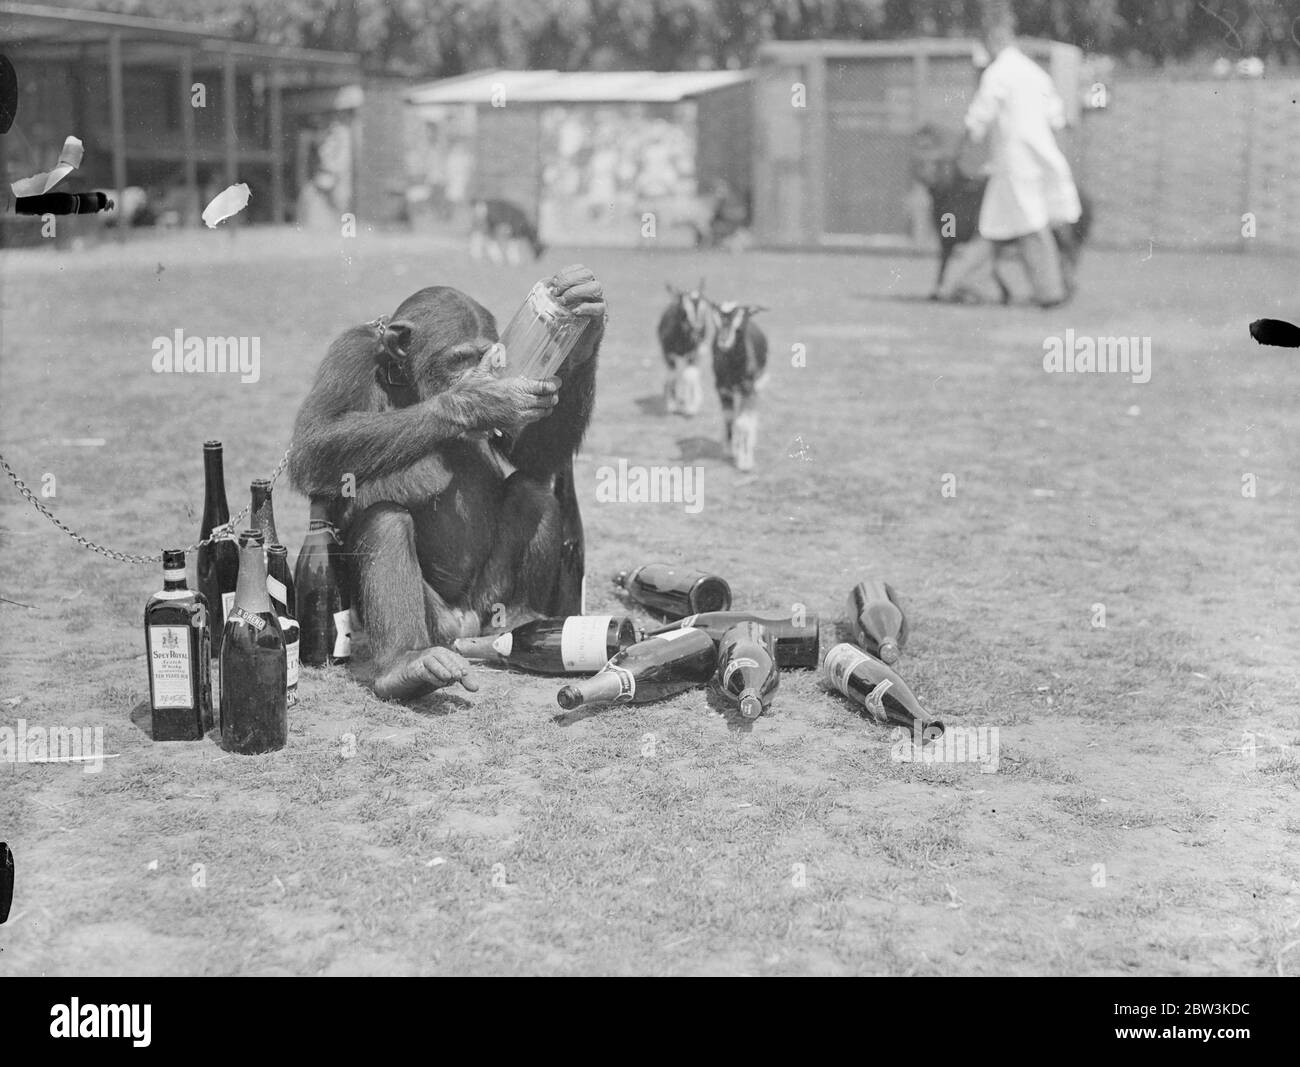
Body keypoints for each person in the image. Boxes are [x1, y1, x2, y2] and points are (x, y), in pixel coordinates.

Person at [935, 6, 1082, 307]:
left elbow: (977, 118)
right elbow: (1057, 119)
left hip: (1015, 165)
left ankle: (1050, 291)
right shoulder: (1035, 73)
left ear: (992, 39)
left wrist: (958, 154)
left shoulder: (998, 72)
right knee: (993, 229)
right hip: (1037, 162)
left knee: (1030, 227)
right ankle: (952, 286)